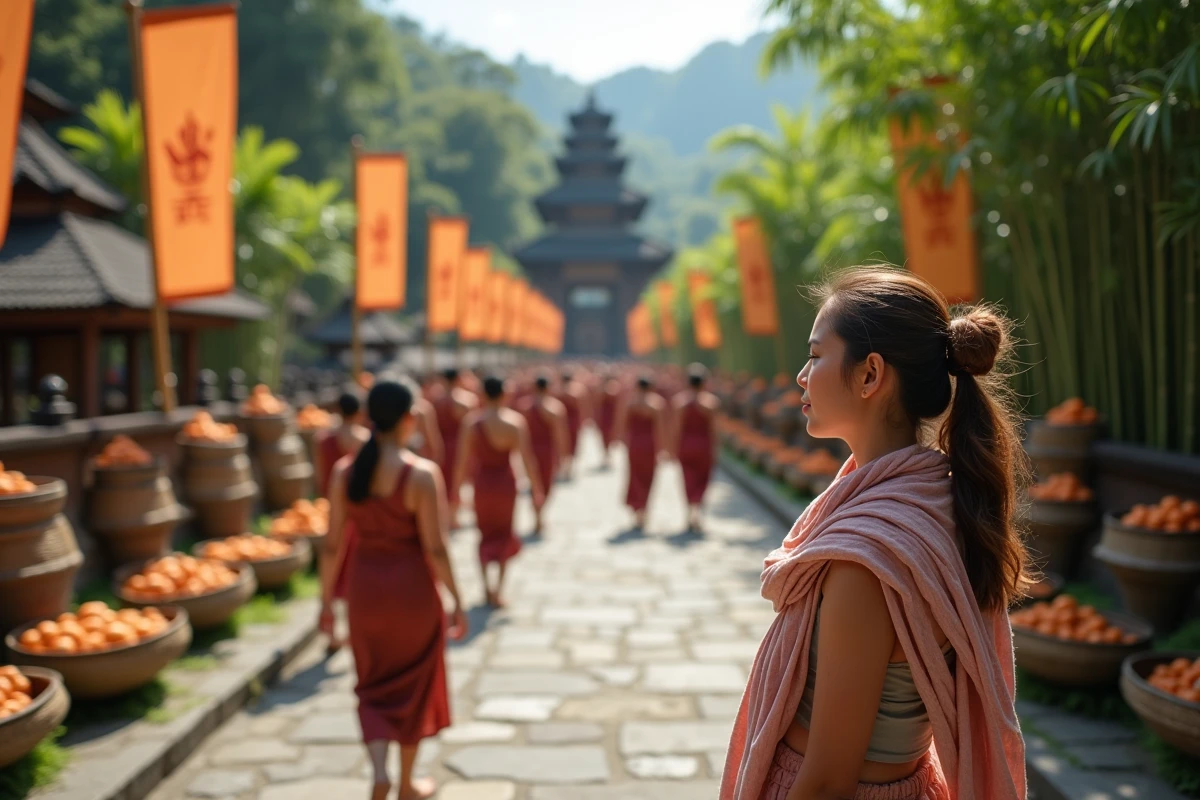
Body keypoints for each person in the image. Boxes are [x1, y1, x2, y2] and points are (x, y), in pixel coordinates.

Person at [722, 267, 1029, 800]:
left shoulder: (865, 561)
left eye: (816, 356)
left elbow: (825, 783)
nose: (801, 375)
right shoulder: (940, 498)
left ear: (869, 376)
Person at [320, 379, 468, 800]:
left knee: (372, 682)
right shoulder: (421, 475)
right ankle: (406, 782)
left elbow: (332, 546)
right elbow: (436, 548)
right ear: (409, 418)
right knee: (414, 686)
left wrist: (327, 602)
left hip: (365, 590)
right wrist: (457, 600)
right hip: (413, 593)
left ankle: (380, 771)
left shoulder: (345, 472)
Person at [451, 376, 544, 608]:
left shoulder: (472, 423)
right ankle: (499, 589)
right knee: (504, 532)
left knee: (484, 533)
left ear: (482, 395)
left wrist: (456, 491)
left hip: (482, 484)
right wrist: (536, 488)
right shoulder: (514, 423)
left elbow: (462, 462)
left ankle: (485, 588)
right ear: (504, 394)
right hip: (505, 484)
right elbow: (528, 460)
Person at [517, 374, 570, 536]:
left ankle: (537, 515)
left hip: (530, 449)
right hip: (547, 451)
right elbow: (561, 435)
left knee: (534, 483)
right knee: (545, 483)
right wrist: (564, 455)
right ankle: (539, 515)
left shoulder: (524, 406)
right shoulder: (554, 408)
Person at [616, 375, 667, 530]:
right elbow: (660, 430)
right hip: (649, 445)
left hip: (635, 444)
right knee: (648, 476)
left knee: (635, 475)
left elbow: (622, 425)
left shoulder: (630, 403)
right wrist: (663, 449)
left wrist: (623, 442)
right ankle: (644, 509)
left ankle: (637, 511)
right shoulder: (656, 405)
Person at [672, 364, 719, 531]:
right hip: (703, 446)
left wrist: (672, 449)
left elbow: (676, 429)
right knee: (702, 480)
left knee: (687, 479)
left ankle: (690, 511)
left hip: (685, 446)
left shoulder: (680, 402)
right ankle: (697, 512)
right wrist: (715, 450)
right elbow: (714, 430)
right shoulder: (710, 403)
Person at [431, 368, 477, 521]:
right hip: (459, 445)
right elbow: (471, 428)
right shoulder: (465, 401)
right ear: (458, 379)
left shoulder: (436, 400)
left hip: (441, 443)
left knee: (445, 480)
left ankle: (446, 513)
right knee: (456, 479)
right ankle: (453, 516)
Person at [315, 389, 370, 498]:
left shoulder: (322, 439)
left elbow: (319, 476)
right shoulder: (366, 439)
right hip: (356, 500)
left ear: (337, 410)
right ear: (359, 412)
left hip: (330, 497)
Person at [554, 370, 592, 476]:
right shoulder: (577, 391)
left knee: (561, 442)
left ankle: (564, 465)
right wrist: (584, 420)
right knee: (570, 442)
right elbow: (582, 408)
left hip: (563, 422)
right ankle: (568, 466)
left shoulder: (557, 391)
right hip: (572, 422)